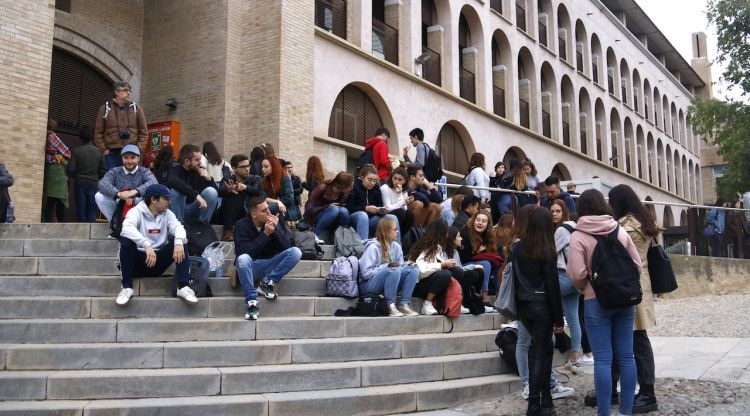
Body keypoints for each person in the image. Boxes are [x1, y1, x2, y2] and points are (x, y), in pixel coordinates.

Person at [567, 189, 642, 416]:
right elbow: (636, 266)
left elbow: (577, 274)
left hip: (595, 300)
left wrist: (586, 287)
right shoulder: (618, 229)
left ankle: (604, 413)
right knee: (627, 357)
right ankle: (626, 412)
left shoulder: (578, 235)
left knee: (602, 360)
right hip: (625, 299)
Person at [596, 184, 661, 413]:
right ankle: (615, 389)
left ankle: (647, 392)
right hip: (638, 285)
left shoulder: (628, 227)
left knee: (637, 341)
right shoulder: (643, 222)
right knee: (625, 340)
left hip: (630, 287)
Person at [512, 207, 566, 416]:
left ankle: (547, 400)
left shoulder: (518, 248)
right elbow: (553, 287)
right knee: (541, 355)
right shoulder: (546, 249)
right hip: (542, 305)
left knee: (541, 352)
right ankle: (534, 404)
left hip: (524, 306)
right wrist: (558, 319)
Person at [116, 184, 197, 306]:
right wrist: (146, 244)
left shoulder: (168, 214)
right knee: (126, 241)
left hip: (157, 263)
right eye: (166, 199)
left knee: (181, 242)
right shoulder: (136, 211)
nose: (169, 202)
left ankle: (183, 286)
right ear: (154, 199)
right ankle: (126, 287)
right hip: (136, 264)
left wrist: (179, 242)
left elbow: (178, 227)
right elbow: (126, 229)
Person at [234, 197, 302, 319]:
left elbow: (286, 248)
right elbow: (243, 252)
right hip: (250, 267)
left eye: (268, 209)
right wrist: (265, 234)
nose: (269, 213)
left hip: (269, 266)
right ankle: (252, 302)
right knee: (243, 258)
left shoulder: (271, 222)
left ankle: (267, 282)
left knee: (296, 252)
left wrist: (275, 230)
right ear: (254, 214)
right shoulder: (241, 225)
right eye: (264, 211)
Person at [358, 218, 419, 317]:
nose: (397, 232)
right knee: (393, 269)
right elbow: (365, 273)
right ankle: (389, 305)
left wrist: (407, 265)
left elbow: (400, 267)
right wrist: (387, 267)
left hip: (390, 281)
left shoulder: (396, 247)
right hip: (369, 285)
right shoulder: (373, 247)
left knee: (413, 269)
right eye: (394, 230)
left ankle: (404, 304)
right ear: (386, 231)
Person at [550, 199, 583, 375]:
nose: (554, 214)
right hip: (576, 279)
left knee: (544, 301)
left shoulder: (562, 230)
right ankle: (575, 358)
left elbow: (550, 252)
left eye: (557, 211)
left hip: (563, 277)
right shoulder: (574, 228)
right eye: (552, 211)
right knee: (573, 318)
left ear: (564, 212)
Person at [95, 144, 157, 222]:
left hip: (137, 203)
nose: (129, 161)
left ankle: (141, 223)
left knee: (152, 196)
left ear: (138, 159)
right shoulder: (115, 171)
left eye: (132, 157)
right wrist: (119, 194)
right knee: (99, 196)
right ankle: (115, 222)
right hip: (119, 203)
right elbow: (102, 183)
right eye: (126, 158)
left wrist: (134, 192)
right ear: (122, 159)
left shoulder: (144, 171)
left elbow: (154, 183)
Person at [94, 81, 148, 170]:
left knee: (130, 179)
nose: (129, 93)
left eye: (130, 91)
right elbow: (98, 132)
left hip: (131, 151)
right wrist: (104, 150)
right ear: (117, 92)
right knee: (113, 180)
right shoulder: (105, 108)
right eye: (126, 90)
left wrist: (138, 149)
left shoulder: (136, 108)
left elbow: (144, 132)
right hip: (112, 153)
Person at [409, 219, 459, 315]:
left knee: (456, 271)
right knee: (445, 274)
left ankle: (448, 303)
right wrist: (441, 265)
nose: (447, 235)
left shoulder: (438, 247)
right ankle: (427, 303)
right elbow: (421, 271)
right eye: (446, 232)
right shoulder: (427, 246)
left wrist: (445, 265)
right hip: (416, 286)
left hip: (426, 282)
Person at [167, 144, 219, 224]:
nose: (200, 162)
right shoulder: (176, 170)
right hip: (178, 211)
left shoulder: (200, 172)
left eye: (200, 159)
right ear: (187, 161)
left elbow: (217, 194)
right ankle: (178, 227)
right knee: (176, 192)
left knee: (211, 192)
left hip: (195, 209)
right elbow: (173, 180)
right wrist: (196, 195)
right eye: (197, 160)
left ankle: (203, 226)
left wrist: (209, 179)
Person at [214, 154, 262, 241]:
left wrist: (245, 187)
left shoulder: (255, 178)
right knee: (234, 194)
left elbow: (257, 191)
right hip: (226, 215)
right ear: (234, 168)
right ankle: (227, 232)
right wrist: (229, 190)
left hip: (246, 214)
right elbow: (220, 191)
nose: (247, 169)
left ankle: (228, 232)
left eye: (248, 166)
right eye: (243, 167)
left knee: (238, 193)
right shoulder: (229, 179)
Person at [456, 210, 498, 310]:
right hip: (463, 263)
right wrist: (477, 252)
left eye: (484, 221)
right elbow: (463, 257)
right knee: (486, 263)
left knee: (498, 266)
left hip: (477, 263)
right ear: (473, 220)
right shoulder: (465, 233)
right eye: (478, 220)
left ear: (488, 224)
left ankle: (500, 296)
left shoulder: (488, 236)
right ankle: (484, 296)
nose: (480, 223)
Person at [347, 164, 400, 242]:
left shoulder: (376, 187)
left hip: (371, 220)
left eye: (375, 180)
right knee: (363, 215)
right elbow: (349, 208)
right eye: (370, 179)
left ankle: (398, 250)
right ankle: (364, 249)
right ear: (362, 178)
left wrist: (381, 211)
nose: (372, 183)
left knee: (392, 217)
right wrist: (365, 208)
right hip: (356, 218)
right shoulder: (354, 186)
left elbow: (380, 206)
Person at [444, 225, 485, 314]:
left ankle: (477, 301)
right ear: (452, 238)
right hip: (447, 278)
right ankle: (461, 302)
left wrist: (474, 266)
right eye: (458, 236)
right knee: (471, 274)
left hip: (458, 273)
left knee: (479, 271)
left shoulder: (455, 252)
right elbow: (457, 269)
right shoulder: (443, 251)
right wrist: (472, 267)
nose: (461, 238)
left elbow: (460, 268)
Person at [68, 127, 105, 222]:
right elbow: (103, 170)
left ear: (80, 138)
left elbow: (71, 169)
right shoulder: (98, 152)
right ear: (92, 137)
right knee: (92, 206)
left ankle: (81, 229)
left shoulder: (76, 151)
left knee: (81, 206)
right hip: (93, 182)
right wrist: (97, 178)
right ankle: (91, 227)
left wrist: (77, 176)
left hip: (80, 182)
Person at [305, 172, 353, 237]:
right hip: (316, 217)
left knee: (344, 211)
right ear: (343, 186)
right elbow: (308, 209)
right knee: (334, 209)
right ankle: (316, 235)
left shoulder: (344, 194)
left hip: (333, 220)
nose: (352, 188)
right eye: (350, 186)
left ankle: (344, 237)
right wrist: (327, 207)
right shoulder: (322, 188)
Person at [43, 118, 71, 223]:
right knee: (60, 199)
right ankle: (61, 223)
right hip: (56, 171)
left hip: (48, 170)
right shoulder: (52, 136)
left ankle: (47, 222)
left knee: (50, 200)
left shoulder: (44, 136)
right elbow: (67, 152)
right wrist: (59, 157)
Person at [259, 156, 299, 221]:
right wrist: (277, 201)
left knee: (270, 208)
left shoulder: (285, 179)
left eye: (266, 167)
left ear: (274, 167)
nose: (263, 169)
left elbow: (288, 199)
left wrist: (277, 203)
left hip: (285, 209)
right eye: (262, 166)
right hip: (271, 207)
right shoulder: (264, 181)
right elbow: (262, 197)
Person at [380, 167, 415, 235]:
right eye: (395, 178)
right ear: (391, 178)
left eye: (400, 180)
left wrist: (399, 195)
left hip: (398, 214)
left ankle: (400, 237)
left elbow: (405, 209)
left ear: (404, 181)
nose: (396, 182)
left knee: (410, 214)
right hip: (384, 215)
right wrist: (403, 201)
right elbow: (387, 208)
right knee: (401, 212)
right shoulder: (385, 188)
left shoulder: (404, 191)